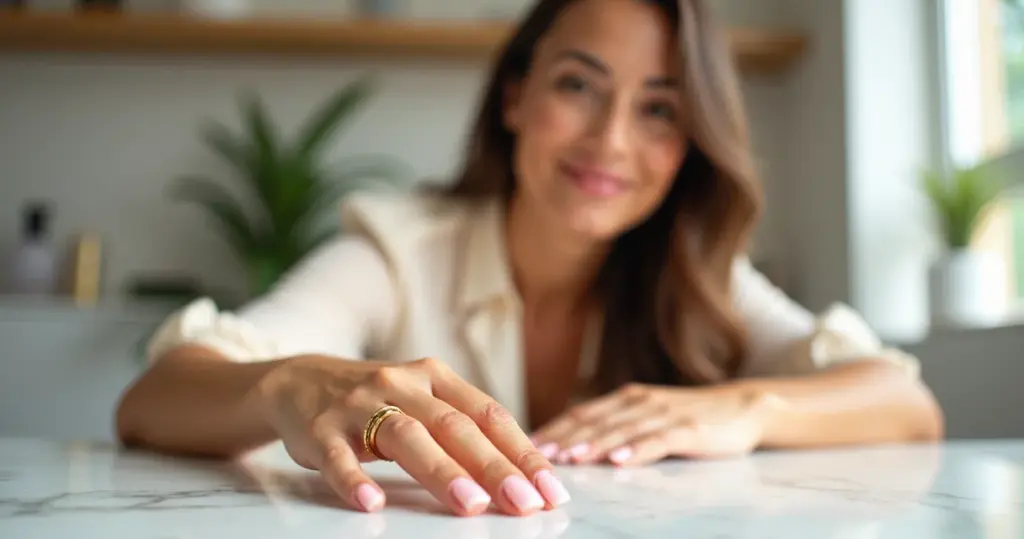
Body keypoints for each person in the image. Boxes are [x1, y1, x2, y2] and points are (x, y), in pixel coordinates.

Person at [115, 0, 944, 519]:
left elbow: (904, 402)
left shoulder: (699, 276)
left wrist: (747, 407)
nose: (611, 141)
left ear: (692, 144)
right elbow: (154, 399)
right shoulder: (400, 249)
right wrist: (284, 384)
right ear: (516, 96)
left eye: (660, 109)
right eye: (578, 86)